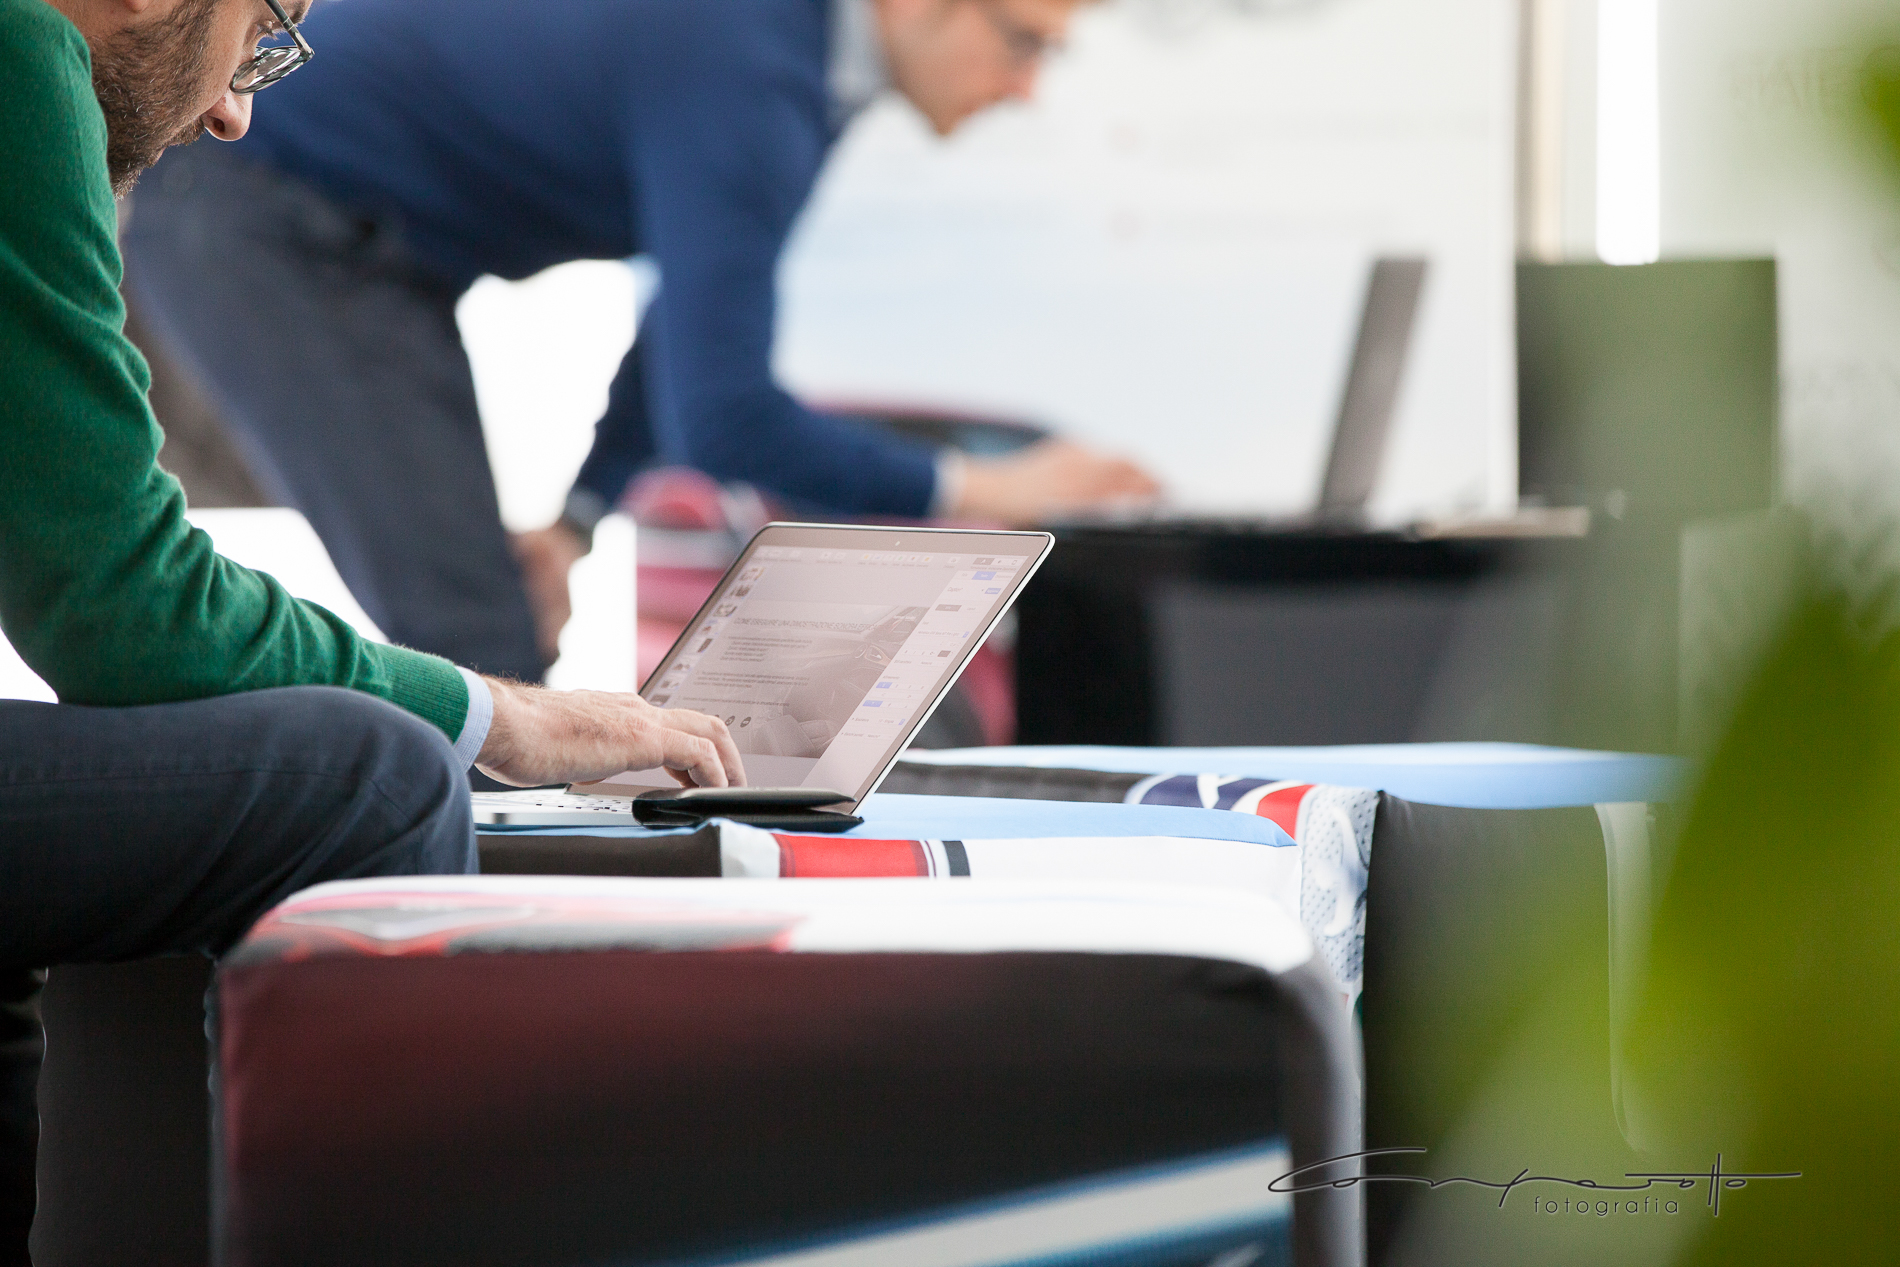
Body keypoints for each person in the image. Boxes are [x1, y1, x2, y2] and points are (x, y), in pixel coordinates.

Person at [0, 0, 745, 1247]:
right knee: (370, 777)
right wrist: (498, 714)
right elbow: (129, 613)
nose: (234, 110)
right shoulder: (18, 50)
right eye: (264, 29)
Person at [122, 0, 1162, 680]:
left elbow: (679, 336)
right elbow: (728, 418)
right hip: (259, 199)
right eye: (1024, 43)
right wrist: (982, 489)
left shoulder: (788, 64)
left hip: (352, 232)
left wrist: (576, 521)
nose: (1028, 87)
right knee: (481, 649)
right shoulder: (755, 74)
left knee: (498, 645)